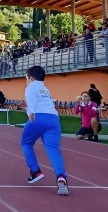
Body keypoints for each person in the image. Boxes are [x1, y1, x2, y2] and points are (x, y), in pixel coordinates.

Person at [20, 66, 69, 196]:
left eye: (26, 78)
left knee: (26, 143)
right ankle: (61, 177)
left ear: (31, 78)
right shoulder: (45, 89)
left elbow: (31, 101)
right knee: (53, 149)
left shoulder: (30, 87)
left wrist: (30, 111)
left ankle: (35, 171)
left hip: (37, 117)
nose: (26, 81)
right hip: (53, 119)